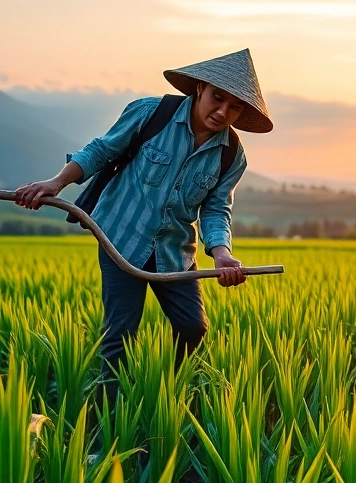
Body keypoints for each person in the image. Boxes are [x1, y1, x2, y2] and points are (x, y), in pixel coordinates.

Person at [14, 49, 273, 402]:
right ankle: (108, 423)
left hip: (174, 251)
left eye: (235, 107)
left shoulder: (231, 154)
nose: (222, 112)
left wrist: (223, 255)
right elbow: (101, 151)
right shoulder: (152, 113)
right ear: (200, 88)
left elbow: (216, 209)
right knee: (119, 337)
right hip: (121, 238)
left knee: (192, 327)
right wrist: (55, 183)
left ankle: (162, 394)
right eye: (218, 98)